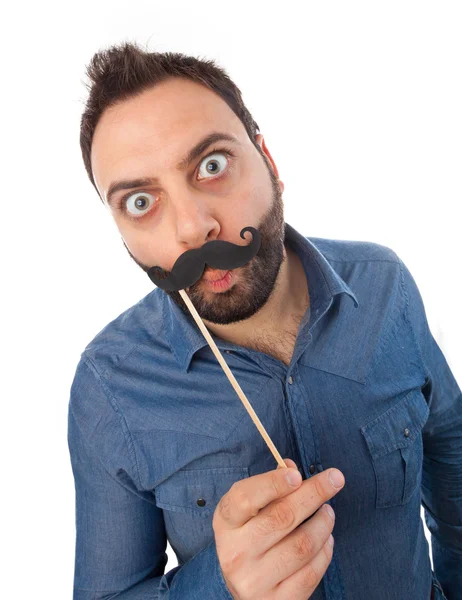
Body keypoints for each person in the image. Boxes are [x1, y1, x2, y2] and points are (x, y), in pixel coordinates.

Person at [68, 41, 460, 599]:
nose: (191, 228)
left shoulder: (384, 286)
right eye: (139, 201)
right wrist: (219, 587)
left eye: (211, 166)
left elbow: (453, 464)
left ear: (268, 161)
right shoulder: (109, 385)